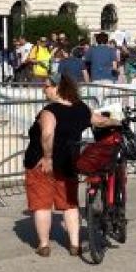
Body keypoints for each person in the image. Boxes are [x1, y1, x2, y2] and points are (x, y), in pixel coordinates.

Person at [24, 75, 112, 257]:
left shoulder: (50, 111)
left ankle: (44, 244)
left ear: (58, 87)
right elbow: (99, 120)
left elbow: (47, 135)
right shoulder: (81, 108)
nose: (44, 90)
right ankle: (74, 244)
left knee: (42, 205)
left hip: (41, 163)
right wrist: (118, 121)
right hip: (69, 162)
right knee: (69, 204)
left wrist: (48, 157)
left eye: (47, 86)